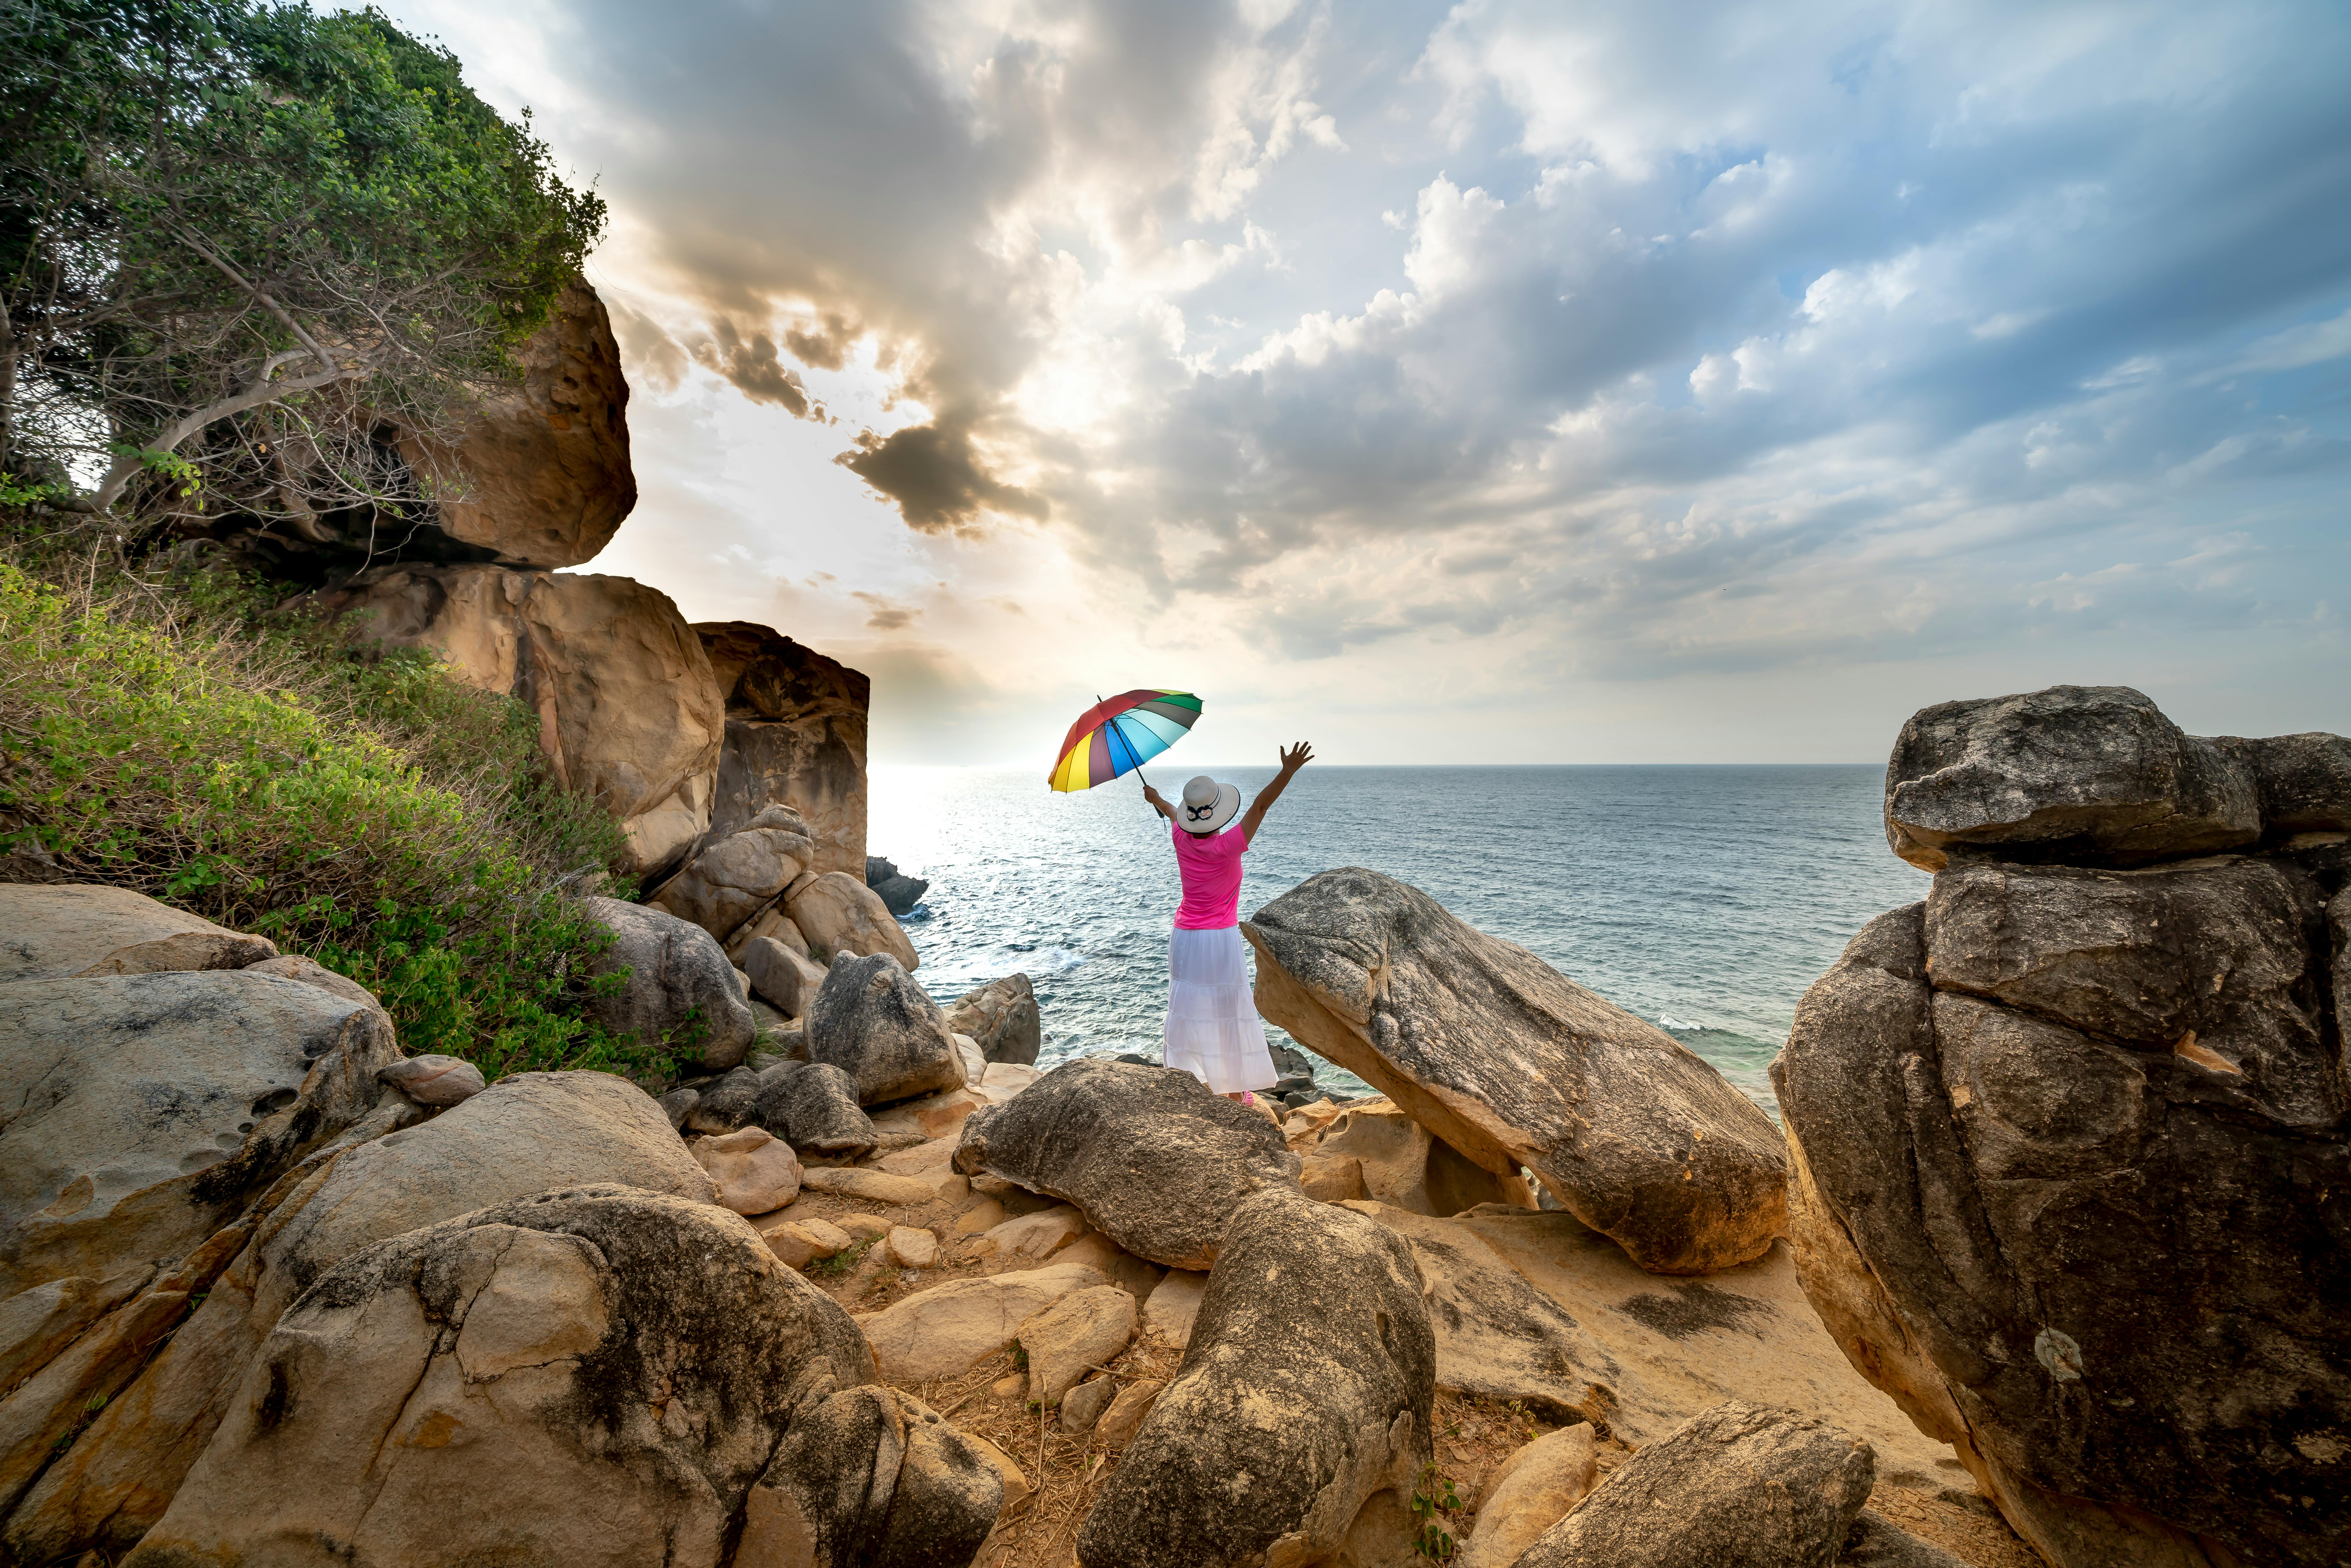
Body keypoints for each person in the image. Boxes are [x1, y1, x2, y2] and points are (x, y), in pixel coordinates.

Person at [1141, 742, 1314, 1103]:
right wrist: (1287, 771)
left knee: (1190, 1009)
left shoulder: (1179, 836)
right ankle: (1235, 1094)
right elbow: (1260, 806)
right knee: (1227, 1011)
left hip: (1185, 938)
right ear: (1216, 814)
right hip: (1218, 939)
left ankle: (1191, 1081)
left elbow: (1172, 812)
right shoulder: (1228, 845)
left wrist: (1155, 798)